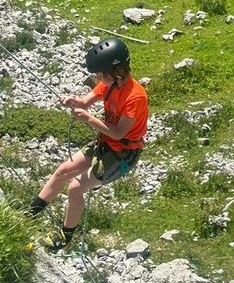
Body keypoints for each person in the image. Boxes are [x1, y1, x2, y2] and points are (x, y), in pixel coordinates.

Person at [29, 38, 148, 250]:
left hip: (124, 153)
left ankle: (65, 236)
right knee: (63, 170)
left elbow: (119, 133)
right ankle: (28, 215)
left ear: (117, 71)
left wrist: (88, 119)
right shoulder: (109, 84)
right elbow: (85, 102)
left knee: (75, 187)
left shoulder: (135, 97)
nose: (98, 79)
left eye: (101, 75)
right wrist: (73, 101)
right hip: (106, 142)